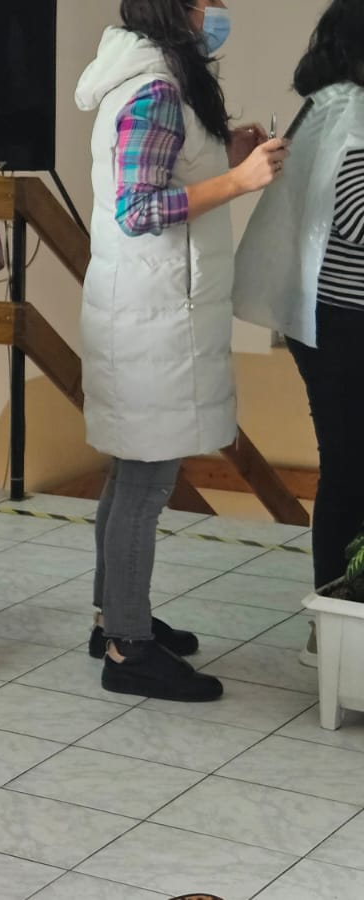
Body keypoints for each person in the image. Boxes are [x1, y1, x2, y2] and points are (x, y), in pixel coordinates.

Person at [75, 0, 288, 700]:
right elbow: (139, 208)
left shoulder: (157, 77)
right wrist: (239, 181)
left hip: (151, 310)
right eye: (207, 0)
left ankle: (115, 617)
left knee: (130, 472)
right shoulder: (154, 88)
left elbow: (166, 173)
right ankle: (127, 649)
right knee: (144, 482)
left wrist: (224, 156)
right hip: (152, 317)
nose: (219, 11)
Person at [232, 0, 364, 665]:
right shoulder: (349, 109)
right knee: (349, 469)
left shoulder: (333, 101)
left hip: (335, 321)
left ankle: (341, 622)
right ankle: (336, 624)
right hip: (345, 324)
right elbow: (357, 216)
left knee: (349, 467)